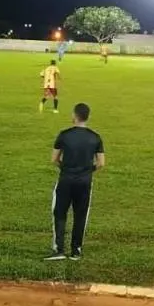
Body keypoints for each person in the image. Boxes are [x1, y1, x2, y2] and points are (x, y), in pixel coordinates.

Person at [47, 103, 105, 261]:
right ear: (87, 117)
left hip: (66, 179)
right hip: (84, 182)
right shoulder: (95, 137)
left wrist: (66, 168)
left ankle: (59, 249)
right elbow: (101, 163)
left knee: (59, 213)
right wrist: (87, 171)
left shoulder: (64, 135)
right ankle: (76, 251)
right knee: (80, 215)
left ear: (74, 116)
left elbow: (54, 159)